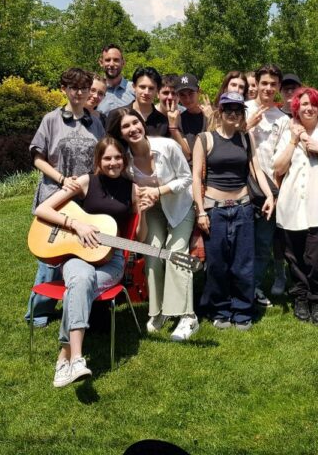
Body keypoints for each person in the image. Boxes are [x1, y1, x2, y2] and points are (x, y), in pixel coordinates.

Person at [33, 137, 145, 387]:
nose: (113, 163)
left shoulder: (132, 189)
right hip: (77, 256)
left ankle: (65, 357)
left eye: (117, 157)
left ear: (124, 160)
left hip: (111, 260)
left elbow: (140, 238)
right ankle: (77, 359)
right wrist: (76, 224)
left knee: (79, 285)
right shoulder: (85, 182)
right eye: (107, 158)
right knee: (81, 279)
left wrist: (143, 211)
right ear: (98, 161)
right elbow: (43, 209)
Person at [107, 107, 199, 340]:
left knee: (176, 252)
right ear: (120, 133)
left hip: (179, 206)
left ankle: (188, 316)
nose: (132, 129)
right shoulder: (124, 159)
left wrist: (159, 191)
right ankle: (159, 312)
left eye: (135, 123)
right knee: (152, 254)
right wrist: (141, 196)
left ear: (142, 123)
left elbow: (186, 178)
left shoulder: (167, 146)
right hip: (152, 210)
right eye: (125, 126)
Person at [25, 68, 106, 328]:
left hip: (83, 202)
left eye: (84, 88)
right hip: (54, 197)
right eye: (74, 88)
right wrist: (62, 180)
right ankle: (38, 312)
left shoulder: (96, 122)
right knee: (49, 259)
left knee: (79, 254)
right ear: (64, 89)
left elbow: (101, 158)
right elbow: (38, 158)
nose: (80, 92)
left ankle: (81, 306)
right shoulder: (51, 120)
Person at [193, 92, 274, 330]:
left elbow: (257, 169)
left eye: (238, 110)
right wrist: (200, 211)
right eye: (228, 109)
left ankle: (242, 310)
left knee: (243, 263)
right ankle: (220, 309)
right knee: (217, 264)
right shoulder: (205, 139)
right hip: (214, 210)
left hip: (243, 208)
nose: (233, 113)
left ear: (242, 114)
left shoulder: (246, 138)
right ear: (220, 110)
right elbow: (196, 177)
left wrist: (269, 194)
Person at [273, 87, 318, 325]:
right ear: (297, 108)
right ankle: (301, 297)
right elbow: (279, 168)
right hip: (291, 205)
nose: (308, 108)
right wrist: (294, 140)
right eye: (303, 104)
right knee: (294, 257)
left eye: (313, 104)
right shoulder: (287, 133)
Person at [245, 64, 290, 303]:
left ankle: (254, 287)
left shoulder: (282, 119)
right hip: (240, 185)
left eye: (273, 84)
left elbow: (280, 161)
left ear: (279, 87)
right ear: (257, 83)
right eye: (264, 83)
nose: (268, 88)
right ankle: (237, 286)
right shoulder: (241, 109)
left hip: (268, 189)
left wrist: (275, 193)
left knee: (263, 243)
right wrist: (248, 125)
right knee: (242, 242)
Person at [127, 66, 170, 137]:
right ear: (134, 87)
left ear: (157, 90)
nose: (146, 92)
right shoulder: (118, 116)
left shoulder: (164, 123)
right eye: (142, 87)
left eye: (151, 88)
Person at [176, 73, 208, 163]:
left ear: (199, 92)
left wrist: (211, 119)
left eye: (191, 94)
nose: (187, 99)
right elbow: (187, 155)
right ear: (178, 97)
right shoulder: (179, 120)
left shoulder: (213, 114)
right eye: (182, 95)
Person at [97, 44, 135, 115]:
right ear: (101, 62)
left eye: (116, 60)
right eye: (108, 60)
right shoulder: (94, 92)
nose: (111, 64)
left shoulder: (134, 89)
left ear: (123, 63)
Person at [155, 73, 189, 151]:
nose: (170, 97)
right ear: (157, 94)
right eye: (166, 93)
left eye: (174, 93)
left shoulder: (185, 114)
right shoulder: (150, 113)